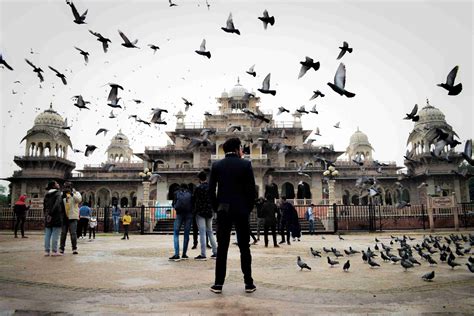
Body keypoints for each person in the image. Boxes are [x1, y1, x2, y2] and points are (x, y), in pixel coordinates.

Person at [209, 137, 257, 294]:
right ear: (238, 149)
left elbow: (211, 191)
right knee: (244, 247)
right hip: (241, 210)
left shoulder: (217, 165)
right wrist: (247, 208)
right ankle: (249, 283)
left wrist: (217, 208)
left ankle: (218, 284)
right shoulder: (245, 164)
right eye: (241, 148)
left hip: (224, 210)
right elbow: (252, 191)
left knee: (222, 248)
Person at [193, 171, 217, 260]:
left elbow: (194, 200)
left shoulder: (198, 188)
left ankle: (203, 254)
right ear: (206, 178)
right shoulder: (210, 188)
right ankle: (215, 252)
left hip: (200, 212)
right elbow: (214, 199)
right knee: (210, 232)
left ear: (199, 179)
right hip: (209, 212)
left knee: (202, 233)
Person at [169, 184, 193, 261]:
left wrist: (176, 207)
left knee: (176, 233)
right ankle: (184, 254)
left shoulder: (176, 193)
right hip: (189, 214)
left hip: (179, 214)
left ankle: (176, 254)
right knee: (186, 234)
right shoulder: (190, 193)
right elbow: (193, 204)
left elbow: (173, 204)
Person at [60, 181, 82, 255]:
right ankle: (61, 248)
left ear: (71, 187)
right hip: (64, 216)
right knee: (63, 233)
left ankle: (74, 248)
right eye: (66, 187)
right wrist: (63, 195)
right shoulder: (62, 194)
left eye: (68, 187)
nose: (67, 188)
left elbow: (79, 200)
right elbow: (59, 203)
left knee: (73, 233)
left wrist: (72, 194)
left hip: (72, 216)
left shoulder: (76, 193)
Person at [43, 181, 63, 256]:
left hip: (48, 216)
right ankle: (54, 251)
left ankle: (46, 251)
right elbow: (57, 204)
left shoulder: (47, 194)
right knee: (55, 234)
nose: (58, 184)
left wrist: (46, 214)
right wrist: (52, 213)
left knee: (47, 234)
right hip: (56, 215)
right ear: (54, 186)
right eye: (57, 183)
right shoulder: (58, 193)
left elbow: (44, 206)